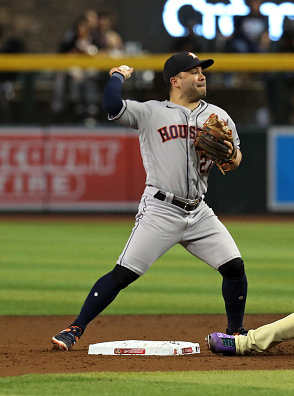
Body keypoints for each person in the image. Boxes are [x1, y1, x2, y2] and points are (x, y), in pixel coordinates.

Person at [51, 52, 249, 351]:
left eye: (202, 71)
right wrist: (118, 76)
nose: (201, 76)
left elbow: (235, 159)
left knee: (234, 267)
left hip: (198, 211)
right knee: (123, 274)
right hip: (160, 209)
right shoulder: (151, 112)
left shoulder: (218, 116)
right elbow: (112, 106)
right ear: (176, 80)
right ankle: (74, 328)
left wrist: (230, 155)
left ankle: (235, 334)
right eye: (193, 71)